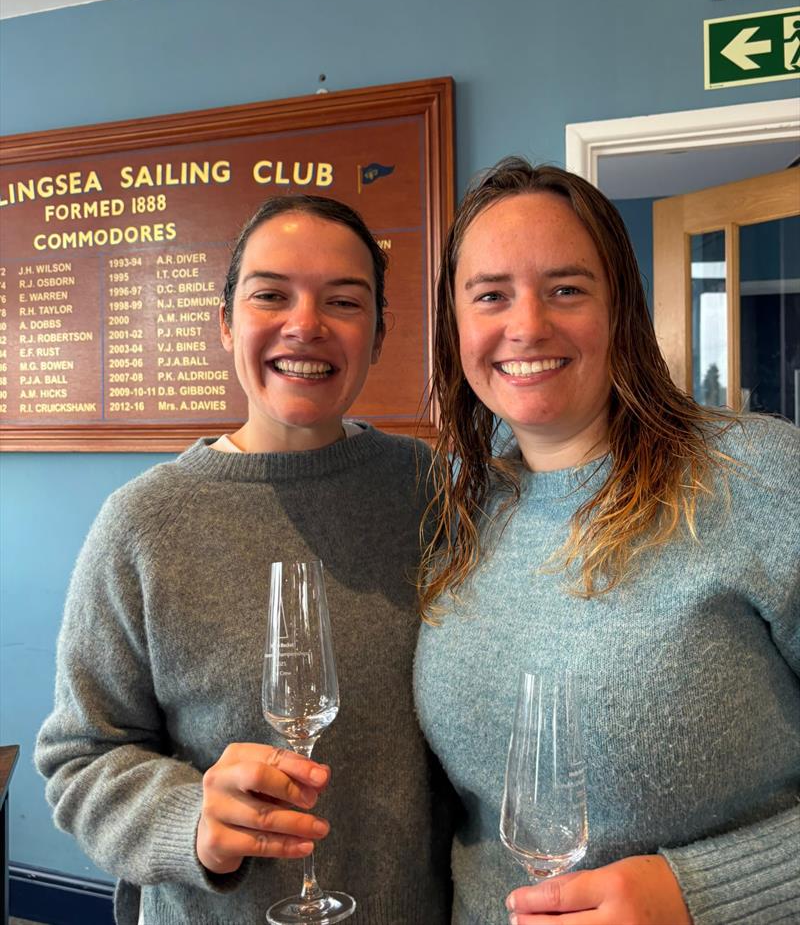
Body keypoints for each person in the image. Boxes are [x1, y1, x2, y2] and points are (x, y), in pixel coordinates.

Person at [36, 195, 453, 925]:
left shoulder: (426, 491)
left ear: (379, 335)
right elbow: (80, 758)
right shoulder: (143, 522)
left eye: (344, 300)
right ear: (226, 321)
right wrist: (190, 816)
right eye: (271, 294)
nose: (305, 324)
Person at [414, 157, 799, 925]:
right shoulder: (462, 508)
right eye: (490, 295)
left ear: (620, 307)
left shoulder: (763, 478)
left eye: (566, 288)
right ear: (456, 326)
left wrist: (702, 892)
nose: (526, 325)